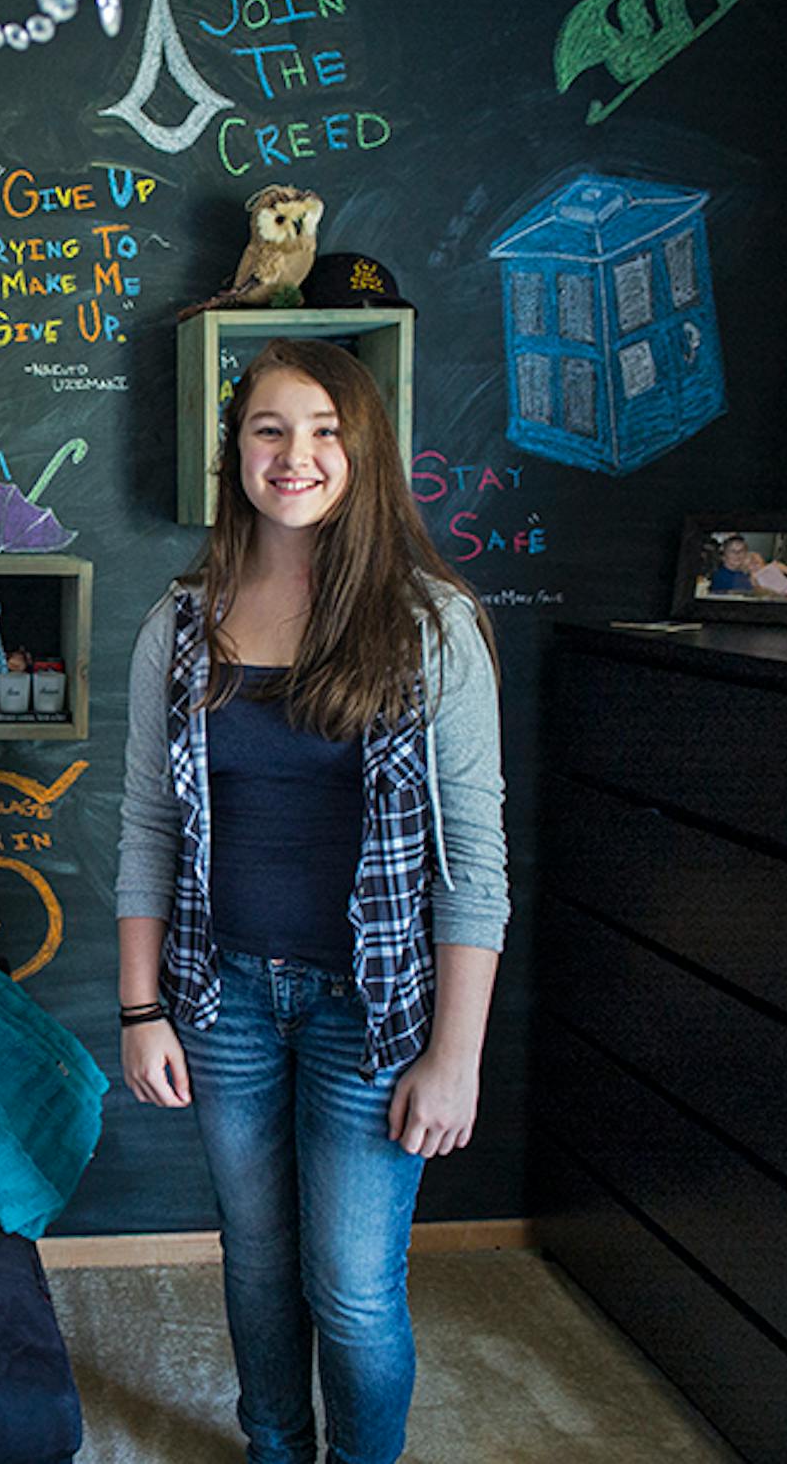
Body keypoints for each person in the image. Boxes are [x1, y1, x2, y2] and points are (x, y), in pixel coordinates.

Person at [115, 338, 510, 1464]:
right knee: (255, 1262)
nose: (296, 455)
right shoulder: (180, 624)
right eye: (270, 430)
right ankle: (274, 1448)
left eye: (326, 430)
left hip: (374, 1011)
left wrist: (456, 1054)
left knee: (353, 1289)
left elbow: (474, 862)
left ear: (366, 449)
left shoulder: (431, 624)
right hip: (223, 998)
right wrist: (144, 1011)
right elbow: (148, 827)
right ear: (236, 450)